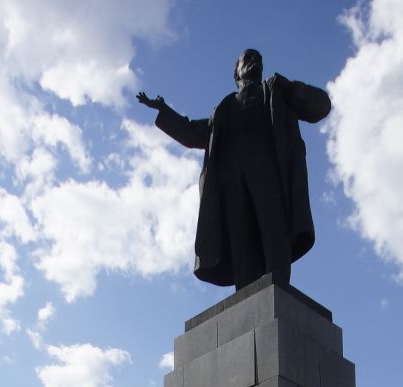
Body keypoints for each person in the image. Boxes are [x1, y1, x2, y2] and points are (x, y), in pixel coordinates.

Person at [137, 48, 331, 289]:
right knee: (240, 239)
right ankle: (248, 295)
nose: (254, 61)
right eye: (247, 58)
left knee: (274, 230)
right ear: (236, 72)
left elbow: (321, 107)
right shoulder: (224, 110)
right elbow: (191, 133)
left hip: (269, 174)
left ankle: (278, 288)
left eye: (258, 59)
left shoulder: (275, 92)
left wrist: (292, 88)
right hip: (232, 183)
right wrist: (163, 112)